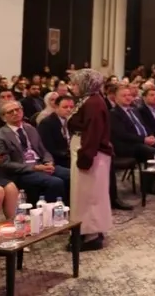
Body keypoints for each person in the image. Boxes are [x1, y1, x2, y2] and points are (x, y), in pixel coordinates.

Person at [67, 69, 113, 252]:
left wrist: (85, 158)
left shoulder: (93, 103)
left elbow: (93, 133)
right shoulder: (90, 99)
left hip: (89, 152)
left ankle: (91, 234)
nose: (72, 87)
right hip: (84, 148)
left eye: (75, 83)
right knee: (85, 193)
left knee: (88, 195)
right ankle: (88, 230)